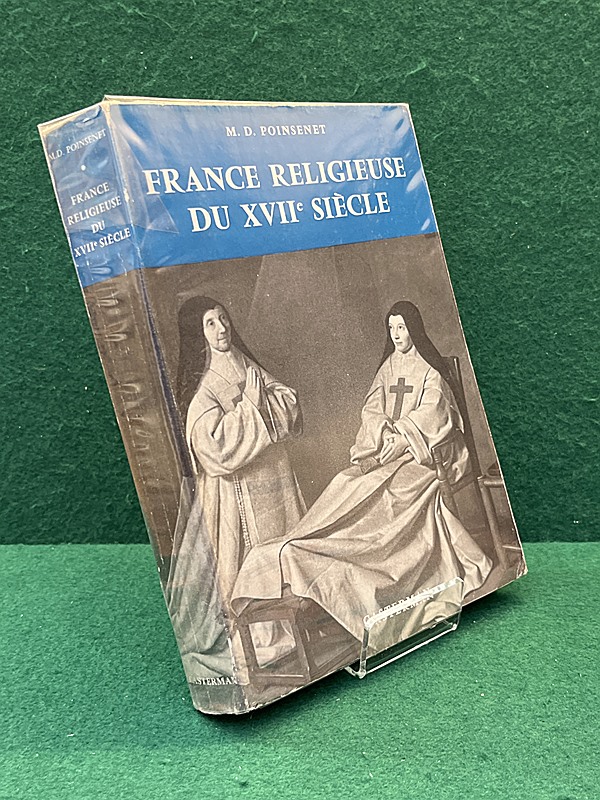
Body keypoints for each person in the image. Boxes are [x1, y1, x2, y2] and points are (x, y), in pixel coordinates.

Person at [231, 301, 492, 649]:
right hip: (386, 452)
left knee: (391, 493)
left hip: (425, 457)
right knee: (347, 482)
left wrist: (404, 437)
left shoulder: (430, 371)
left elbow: (437, 413)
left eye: (402, 327)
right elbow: (372, 409)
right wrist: (383, 434)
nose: (396, 335)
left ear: (414, 329)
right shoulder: (387, 368)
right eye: (392, 328)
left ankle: (379, 563)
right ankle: (314, 545)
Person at [166, 296, 305, 686]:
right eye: (210, 323)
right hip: (236, 494)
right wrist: (251, 408)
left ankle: (294, 628)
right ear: (198, 334)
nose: (221, 328)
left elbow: (289, 401)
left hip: (274, 484)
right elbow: (212, 448)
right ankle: (261, 643)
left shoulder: (245, 363)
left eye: (223, 318)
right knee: (244, 561)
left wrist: (258, 408)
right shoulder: (205, 386)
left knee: (283, 548)